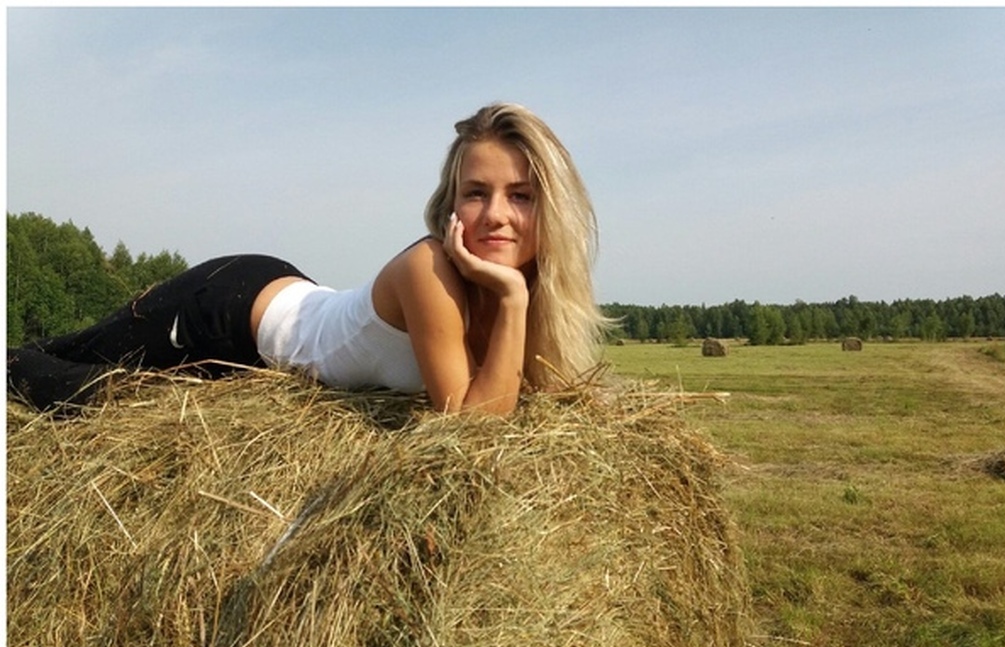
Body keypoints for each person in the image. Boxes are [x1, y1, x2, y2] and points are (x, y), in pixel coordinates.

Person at [7, 102, 609, 417]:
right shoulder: (430, 268)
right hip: (226, 311)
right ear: (451, 202)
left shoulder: (513, 292)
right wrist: (512, 296)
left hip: (291, 304)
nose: (495, 214)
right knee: (65, 382)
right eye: (476, 192)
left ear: (550, 208)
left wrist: (511, 296)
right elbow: (474, 430)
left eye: (521, 196)